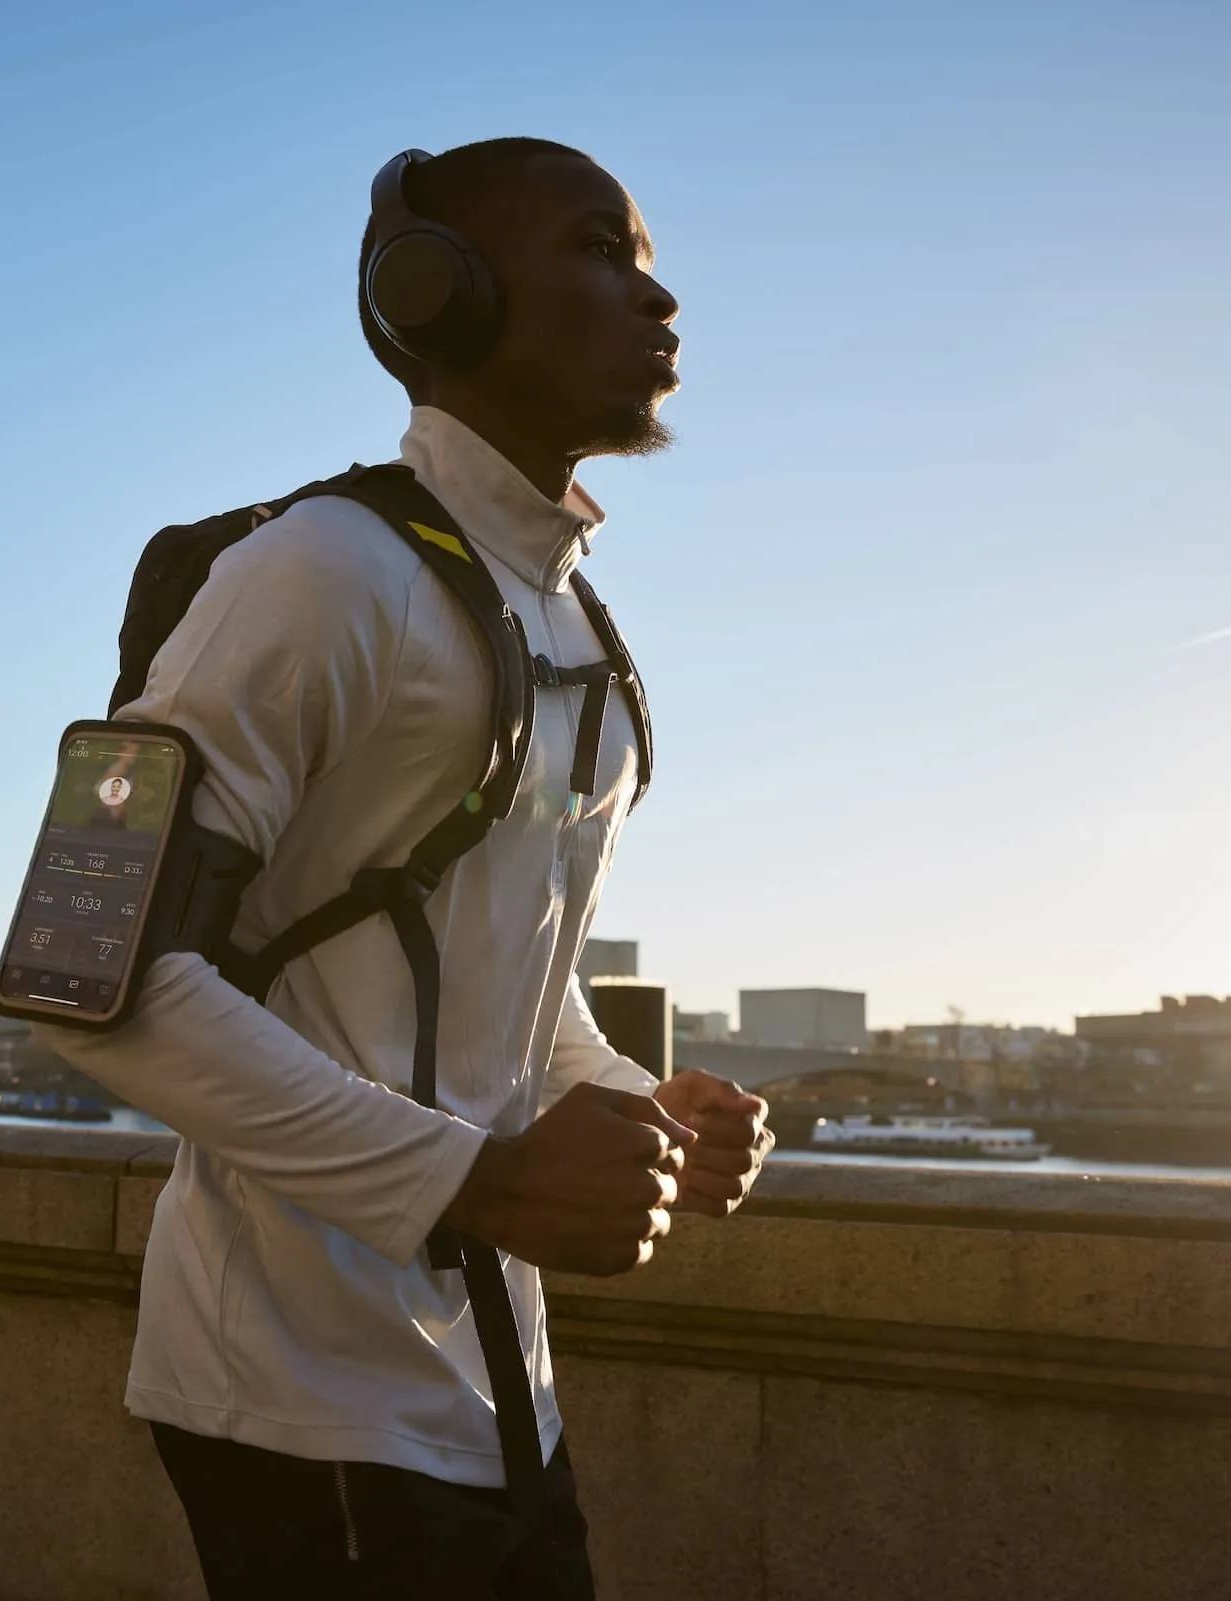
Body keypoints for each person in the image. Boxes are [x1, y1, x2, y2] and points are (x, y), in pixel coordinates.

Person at [40, 137, 775, 1600]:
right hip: (301, 1396)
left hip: (503, 1396)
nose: (658, 294)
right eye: (598, 250)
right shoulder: (317, 567)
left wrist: (637, 1112)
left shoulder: (586, 644)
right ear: (437, 293)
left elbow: (521, 1003)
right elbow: (77, 972)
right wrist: (482, 1185)